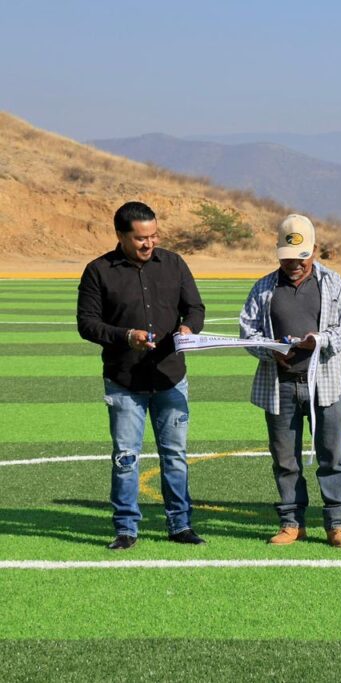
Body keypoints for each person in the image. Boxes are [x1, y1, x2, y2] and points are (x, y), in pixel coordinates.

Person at [77, 201, 207, 550]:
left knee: (175, 456)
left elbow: (195, 307)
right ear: (120, 235)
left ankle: (180, 525)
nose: (149, 243)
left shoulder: (174, 263)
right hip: (124, 382)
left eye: (154, 236)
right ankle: (126, 529)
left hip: (170, 378)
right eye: (140, 238)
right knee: (125, 458)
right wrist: (126, 336)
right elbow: (87, 323)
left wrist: (189, 327)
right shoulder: (98, 271)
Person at [240, 214, 341, 549]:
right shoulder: (263, 287)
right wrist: (269, 350)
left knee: (332, 456)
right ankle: (292, 523)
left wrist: (319, 341)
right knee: (285, 459)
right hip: (280, 384)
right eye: (287, 258)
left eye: (301, 257)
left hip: (326, 383)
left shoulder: (333, 282)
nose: (294, 264)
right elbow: (247, 331)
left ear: (314, 250)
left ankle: (338, 524)